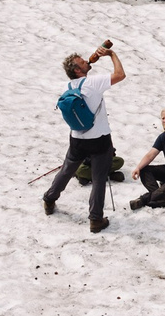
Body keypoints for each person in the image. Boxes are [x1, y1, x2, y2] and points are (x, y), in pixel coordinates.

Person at [42, 41, 126, 233]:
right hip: (99, 139)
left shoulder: (70, 85)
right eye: (83, 62)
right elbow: (120, 75)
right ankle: (95, 219)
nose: (87, 61)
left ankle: (49, 199)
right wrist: (111, 55)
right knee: (98, 179)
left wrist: (94, 59)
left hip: (77, 138)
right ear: (78, 70)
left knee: (66, 170)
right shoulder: (93, 83)